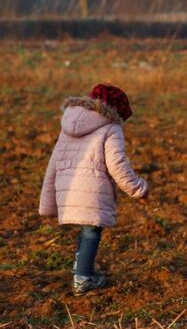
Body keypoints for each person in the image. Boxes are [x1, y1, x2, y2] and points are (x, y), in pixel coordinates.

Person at [38, 84, 149, 295]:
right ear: (116, 110)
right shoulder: (111, 128)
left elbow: (53, 162)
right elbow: (118, 165)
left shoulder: (67, 124)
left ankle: (82, 269)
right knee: (91, 231)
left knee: (86, 229)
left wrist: (47, 200)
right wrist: (138, 189)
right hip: (93, 187)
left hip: (67, 187)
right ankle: (83, 278)